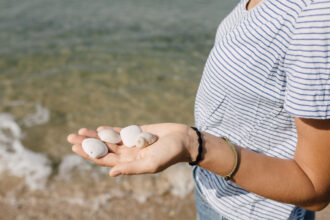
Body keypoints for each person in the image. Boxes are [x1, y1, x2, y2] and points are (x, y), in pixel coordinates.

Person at [67, 0, 330, 219]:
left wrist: (195, 146)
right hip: (214, 189)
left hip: (255, 212)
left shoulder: (315, 17)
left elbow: (314, 188)